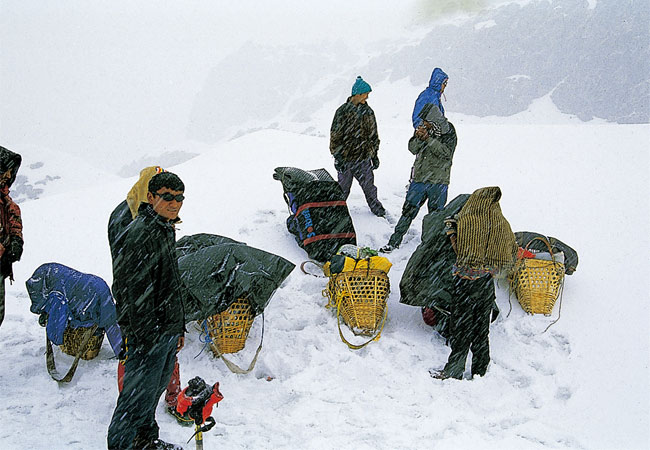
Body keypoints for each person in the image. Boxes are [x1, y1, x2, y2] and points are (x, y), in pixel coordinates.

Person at [107, 171, 187, 450]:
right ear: (151, 197)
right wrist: (148, 337)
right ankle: (123, 445)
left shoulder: (163, 228)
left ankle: (145, 441)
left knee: (151, 393)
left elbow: (171, 285)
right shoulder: (140, 233)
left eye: (179, 198)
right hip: (148, 335)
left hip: (165, 331)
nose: (174, 203)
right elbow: (133, 292)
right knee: (135, 398)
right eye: (167, 197)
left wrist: (177, 327)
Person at [431, 187, 517, 380]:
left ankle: (454, 370)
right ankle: (480, 369)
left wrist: (452, 232)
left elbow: (460, 251)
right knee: (481, 330)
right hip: (486, 285)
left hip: (465, 284)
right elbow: (511, 251)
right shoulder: (501, 223)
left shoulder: (468, 220)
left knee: (461, 329)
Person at [381, 104, 456, 253]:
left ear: (433, 119)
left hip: (438, 181)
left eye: (426, 121)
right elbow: (412, 148)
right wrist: (418, 137)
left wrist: (429, 139)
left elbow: (446, 154)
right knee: (408, 211)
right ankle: (394, 241)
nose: (424, 124)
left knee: (435, 217)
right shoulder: (423, 128)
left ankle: (429, 248)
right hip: (420, 178)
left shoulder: (449, 131)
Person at [330, 76, 386, 217]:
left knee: (369, 188)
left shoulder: (368, 112)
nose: (367, 97)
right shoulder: (342, 111)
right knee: (342, 189)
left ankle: (377, 209)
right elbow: (335, 136)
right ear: (358, 94)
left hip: (363, 159)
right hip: (346, 159)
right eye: (366, 94)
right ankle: (335, 213)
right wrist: (337, 157)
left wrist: (374, 155)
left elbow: (373, 135)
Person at [0, 146, 23, 329]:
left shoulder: (7, 202)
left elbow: (14, 221)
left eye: (10, 172)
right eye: (4, 171)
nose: (8, 176)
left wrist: (16, 242)